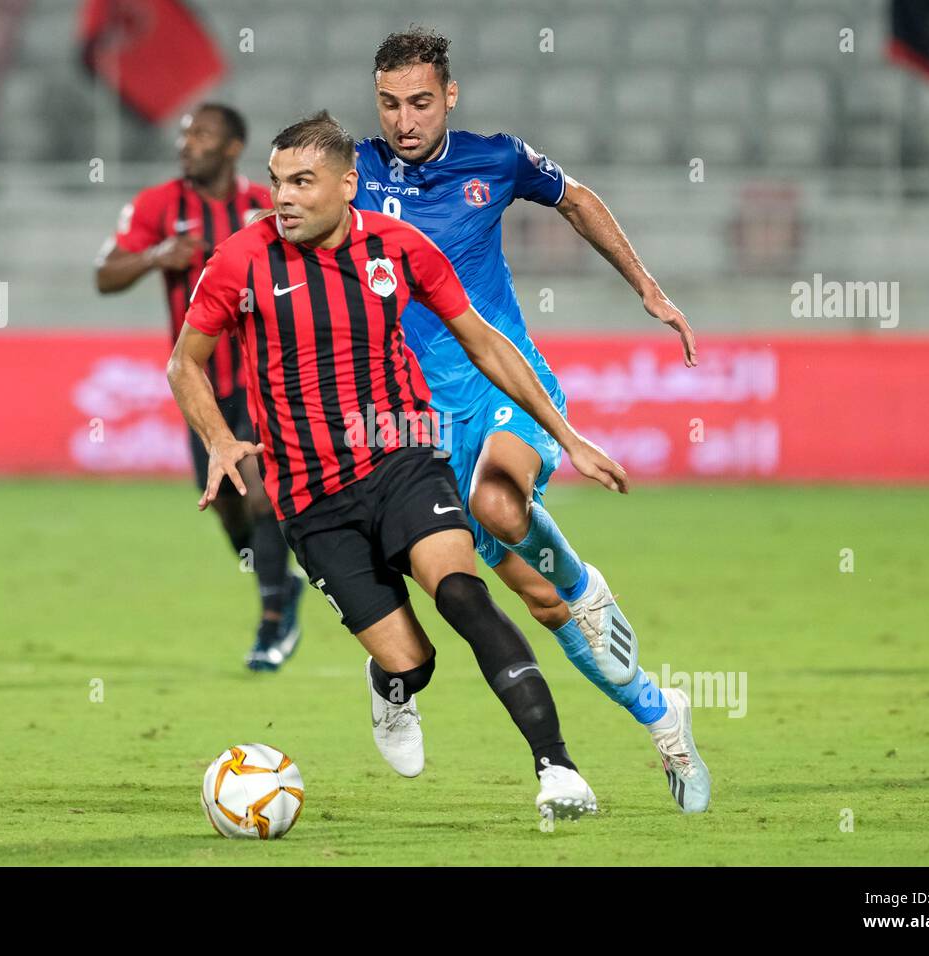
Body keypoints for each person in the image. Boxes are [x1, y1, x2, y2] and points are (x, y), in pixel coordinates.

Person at [168, 111, 629, 820]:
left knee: (465, 598)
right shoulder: (241, 260)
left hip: (403, 458)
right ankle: (393, 684)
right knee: (414, 660)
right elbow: (185, 363)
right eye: (275, 182)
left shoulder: (398, 247)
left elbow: (485, 343)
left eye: (301, 181)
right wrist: (220, 440)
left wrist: (564, 435)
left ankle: (558, 769)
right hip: (311, 497)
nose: (282, 197)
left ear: (348, 184)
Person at [352, 29, 710, 812]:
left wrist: (646, 288)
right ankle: (660, 710)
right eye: (388, 104)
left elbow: (576, 199)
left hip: (509, 388)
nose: (403, 120)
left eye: (418, 101)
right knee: (542, 607)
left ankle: (584, 590)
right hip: (423, 424)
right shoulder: (354, 175)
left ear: (449, 96)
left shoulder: (498, 158)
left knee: (497, 504)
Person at [96, 103, 303, 672]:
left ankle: (271, 620)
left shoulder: (262, 206)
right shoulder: (158, 206)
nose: (187, 143)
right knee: (228, 508)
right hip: (202, 388)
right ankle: (278, 581)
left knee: (262, 495)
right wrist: (156, 256)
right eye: (185, 133)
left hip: (266, 384)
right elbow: (104, 274)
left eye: (202, 135)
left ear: (233, 147)